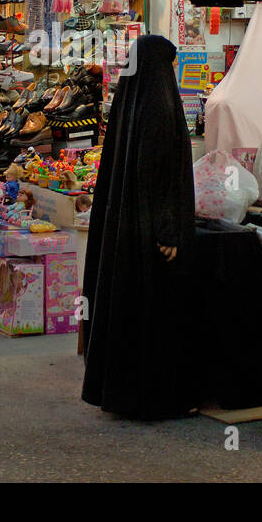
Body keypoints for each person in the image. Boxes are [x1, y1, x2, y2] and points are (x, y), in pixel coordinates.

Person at [81, 34, 197, 419]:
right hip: (151, 237)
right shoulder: (161, 106)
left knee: (123, 311)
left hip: (124, 231)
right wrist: (168, 231)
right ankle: (150, 398)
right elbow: (160, 175)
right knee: (151, 316)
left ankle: (119, 392)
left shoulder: (127, 104)